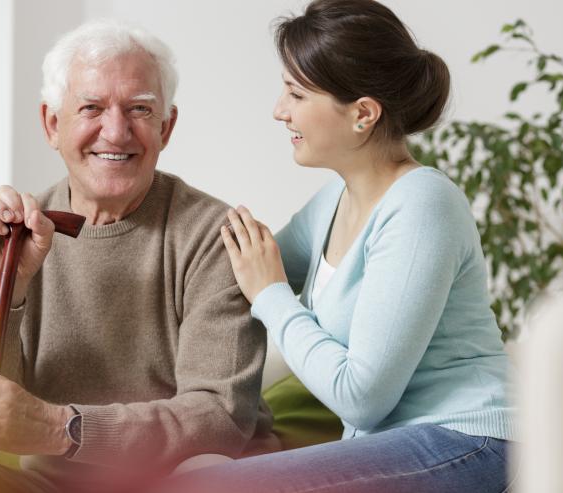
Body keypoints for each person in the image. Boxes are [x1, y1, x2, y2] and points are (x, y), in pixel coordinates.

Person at [166, 0, 517, 491]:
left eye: (295, 93)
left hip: (469, 439)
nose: (278, 110)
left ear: (362, 114)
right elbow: (234, 272)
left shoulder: (422, 204)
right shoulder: (336, 198)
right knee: (190, 471)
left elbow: (361, 397)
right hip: (397, 443)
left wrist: (272, 297)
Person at [0, 20, 279, 493]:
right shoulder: (5, 235)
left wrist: (60, 428)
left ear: (167, 126)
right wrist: (2, 293)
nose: (116, 133)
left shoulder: (214, 237)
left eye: (139, 109)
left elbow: (218, 418)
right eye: (91, 108)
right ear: (52, 124)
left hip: (184, 481)